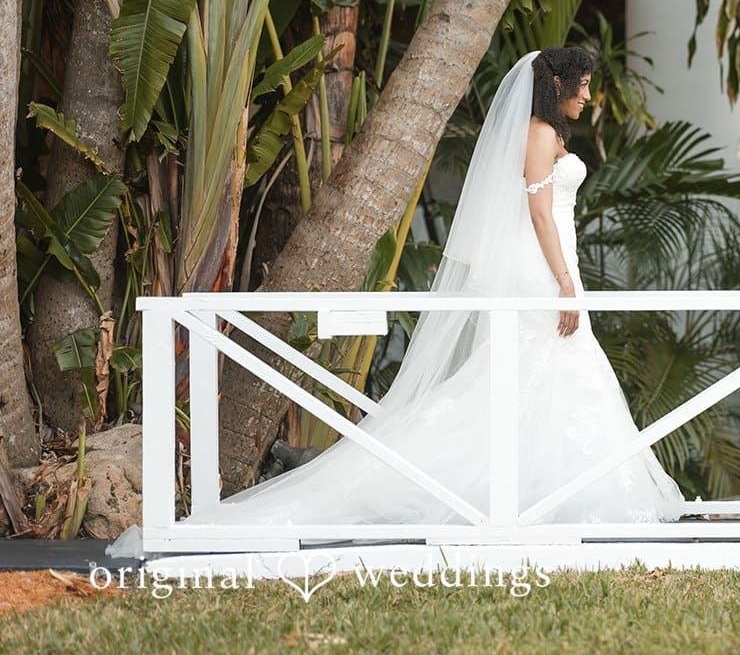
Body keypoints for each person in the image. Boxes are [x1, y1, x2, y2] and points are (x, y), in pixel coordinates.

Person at [111, 49, 682, 555]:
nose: (588, 94)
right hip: (541, 273)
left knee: (548, 380)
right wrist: (562, 282)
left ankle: (547, 495)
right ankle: (452, 485)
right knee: (529, 376)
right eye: (581, 84)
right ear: (558, 86)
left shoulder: (551, 135)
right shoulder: (537, 132)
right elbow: (536, 213)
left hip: (556, 266)